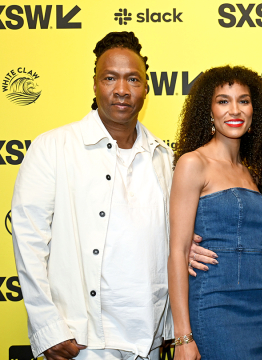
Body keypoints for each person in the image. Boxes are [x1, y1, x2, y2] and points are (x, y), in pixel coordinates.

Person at [11, 32, 173, 360]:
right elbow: (29, 241)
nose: (122, 90)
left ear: (146, 88)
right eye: (110, 78)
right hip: (82, 339)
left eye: (133, 79)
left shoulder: (164, 157)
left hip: (149, 338)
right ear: (95, 84)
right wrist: (47, 326)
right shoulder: (53, 147)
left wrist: (172, 327)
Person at [168, 65, 262, 360]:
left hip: (258, 305)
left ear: (255, 110)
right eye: (223, 101)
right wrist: (182, 337)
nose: (235, 110)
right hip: (214, 303)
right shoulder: (194, 163)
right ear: (209, 110)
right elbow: (178, 252)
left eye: (243, 101)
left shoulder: (252, 173)